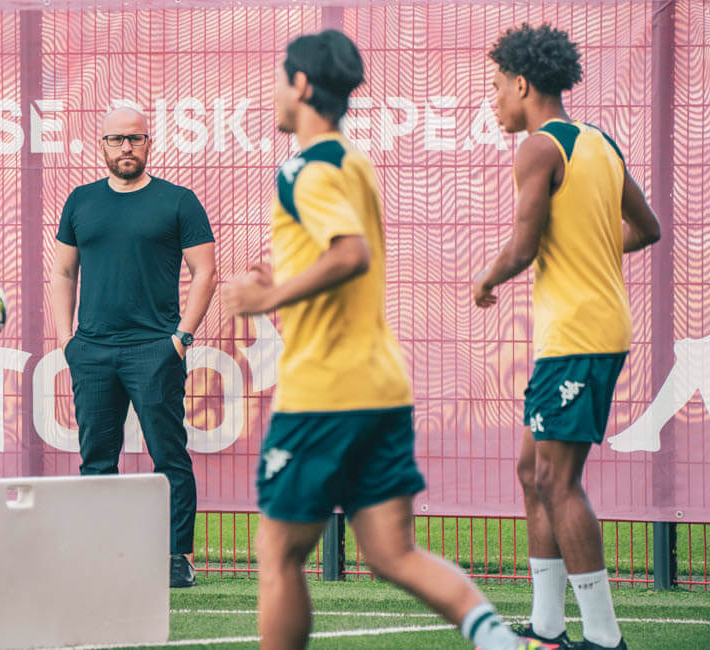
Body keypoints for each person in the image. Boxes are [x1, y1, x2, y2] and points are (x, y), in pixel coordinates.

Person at [223, 30, 536, 650]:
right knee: (393, 552)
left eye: (281, 78)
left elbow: (350, 254)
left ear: (302, 85)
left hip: (324, 393)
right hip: (381, 388)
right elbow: (338, 254)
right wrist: (285, 280)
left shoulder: (305, 168)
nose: (275, 92)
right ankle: (500, 642)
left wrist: (267, 299)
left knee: (279, 555)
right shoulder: (351, 159)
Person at [472, 23, 661, 650]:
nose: (495, 98)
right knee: (532, 471)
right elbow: (647, 228)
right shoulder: (600, 143)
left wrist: (486, 278)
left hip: (579, 334)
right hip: (585, 332)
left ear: (523, 84)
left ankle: (603, 637)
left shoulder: (538, 148)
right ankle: (548, 627)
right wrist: (590, 247)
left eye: (498, 86)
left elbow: (522, 246)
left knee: (557, 479)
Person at [49, 106, 217, 589]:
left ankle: (177, 557)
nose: (126, 147)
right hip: (92, 352)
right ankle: (101, 557)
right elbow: (63, 272)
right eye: (116, 139)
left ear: (148, 143)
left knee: (169, 456)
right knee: (97, 461)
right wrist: (67, 341)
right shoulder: (80, 201)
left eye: (135, 138)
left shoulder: (178, 201)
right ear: (101, 144)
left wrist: (181, 339)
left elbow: (205, 271)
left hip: (155, 350)